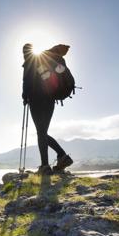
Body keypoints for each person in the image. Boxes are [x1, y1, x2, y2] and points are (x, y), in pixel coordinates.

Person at [22, 43, 73, 175]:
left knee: (41, 132)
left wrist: (25, 96)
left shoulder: (30, 61)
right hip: (50, 99)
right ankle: (62, 157)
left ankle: (45, 166)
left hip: (36, 99)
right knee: (43, 132)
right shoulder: (46, 58)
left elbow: (27, 81)